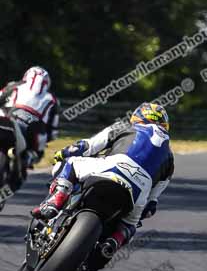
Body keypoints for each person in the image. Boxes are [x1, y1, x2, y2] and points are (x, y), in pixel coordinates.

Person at [32, 103, 173, 258]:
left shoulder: (124, 126)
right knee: (129, 225)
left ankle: (57, 199)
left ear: (137, 116)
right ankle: (115, 241)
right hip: (139, 190)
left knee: (70, 163)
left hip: (112, 168)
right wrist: (141, 213)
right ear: (164, 125)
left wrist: (63, 153)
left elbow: (87, 146)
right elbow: (152, 204)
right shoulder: (169, 157)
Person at [0, 66, 61, 181]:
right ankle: (28, 157)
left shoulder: (14, 86)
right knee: (39, 147)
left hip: (8, 120)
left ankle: (27, 157)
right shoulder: (52, 99)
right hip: (32, 130)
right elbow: (53, 130)